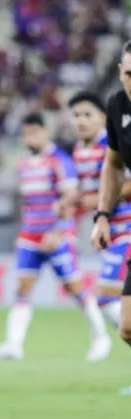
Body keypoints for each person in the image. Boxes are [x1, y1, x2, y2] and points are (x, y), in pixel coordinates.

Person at [0, 113, 110, 361]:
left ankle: (101, 338)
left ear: (44, 132)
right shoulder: (24, 164)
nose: (29, 138)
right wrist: (23, 231)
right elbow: (28, 203)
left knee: (74, 287)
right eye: (25, 134)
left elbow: (71, 199)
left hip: (56, 237)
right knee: (22, 288)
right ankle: (13, 344)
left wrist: (58, 231)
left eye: (33, 133)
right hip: (30, 237)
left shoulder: (59, 161)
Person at [70, 91, 128, 338]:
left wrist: (93, 200)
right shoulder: (79, 151)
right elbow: (88, 195)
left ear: (103, 118)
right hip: (110, 233)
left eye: (87, 115)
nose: (81, 121)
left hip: (127, 229)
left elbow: (124, 186)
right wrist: (70, 204)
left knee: (106, 297)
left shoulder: (112, 145)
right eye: (76, 115)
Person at [91, 40, 131, 396]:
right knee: (128, 326)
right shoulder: (117, 106)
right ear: (120, 72)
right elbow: (113, 164)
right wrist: (102, 215)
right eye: (130, 74)